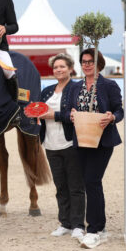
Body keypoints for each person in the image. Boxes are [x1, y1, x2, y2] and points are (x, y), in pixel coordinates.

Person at [66, 48, 124, 249]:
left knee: (92, 181)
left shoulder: (109, 85)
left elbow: (119, 109)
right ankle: (101, 227)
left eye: (90, 61)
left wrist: (112, 117)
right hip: (82, 139)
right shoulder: (75, 87)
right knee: (91, 182)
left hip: (103, 141)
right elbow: (68, 111)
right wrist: (72, 114)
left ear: (98, 63)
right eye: (83, 61)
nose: (87, 64)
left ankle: (93, 229)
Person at [38, 53, 85, 240]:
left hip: (71, 142)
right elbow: (39, 110)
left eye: (62, 67)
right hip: (50, 144)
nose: (58, 70)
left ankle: (78, 225)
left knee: (76, 186)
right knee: (60, 186)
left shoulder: (77, 88)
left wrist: (54, 115)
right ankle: (65, 223)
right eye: (56, 67)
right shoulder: (47, 91)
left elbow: (76, 115)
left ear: (71, 68)